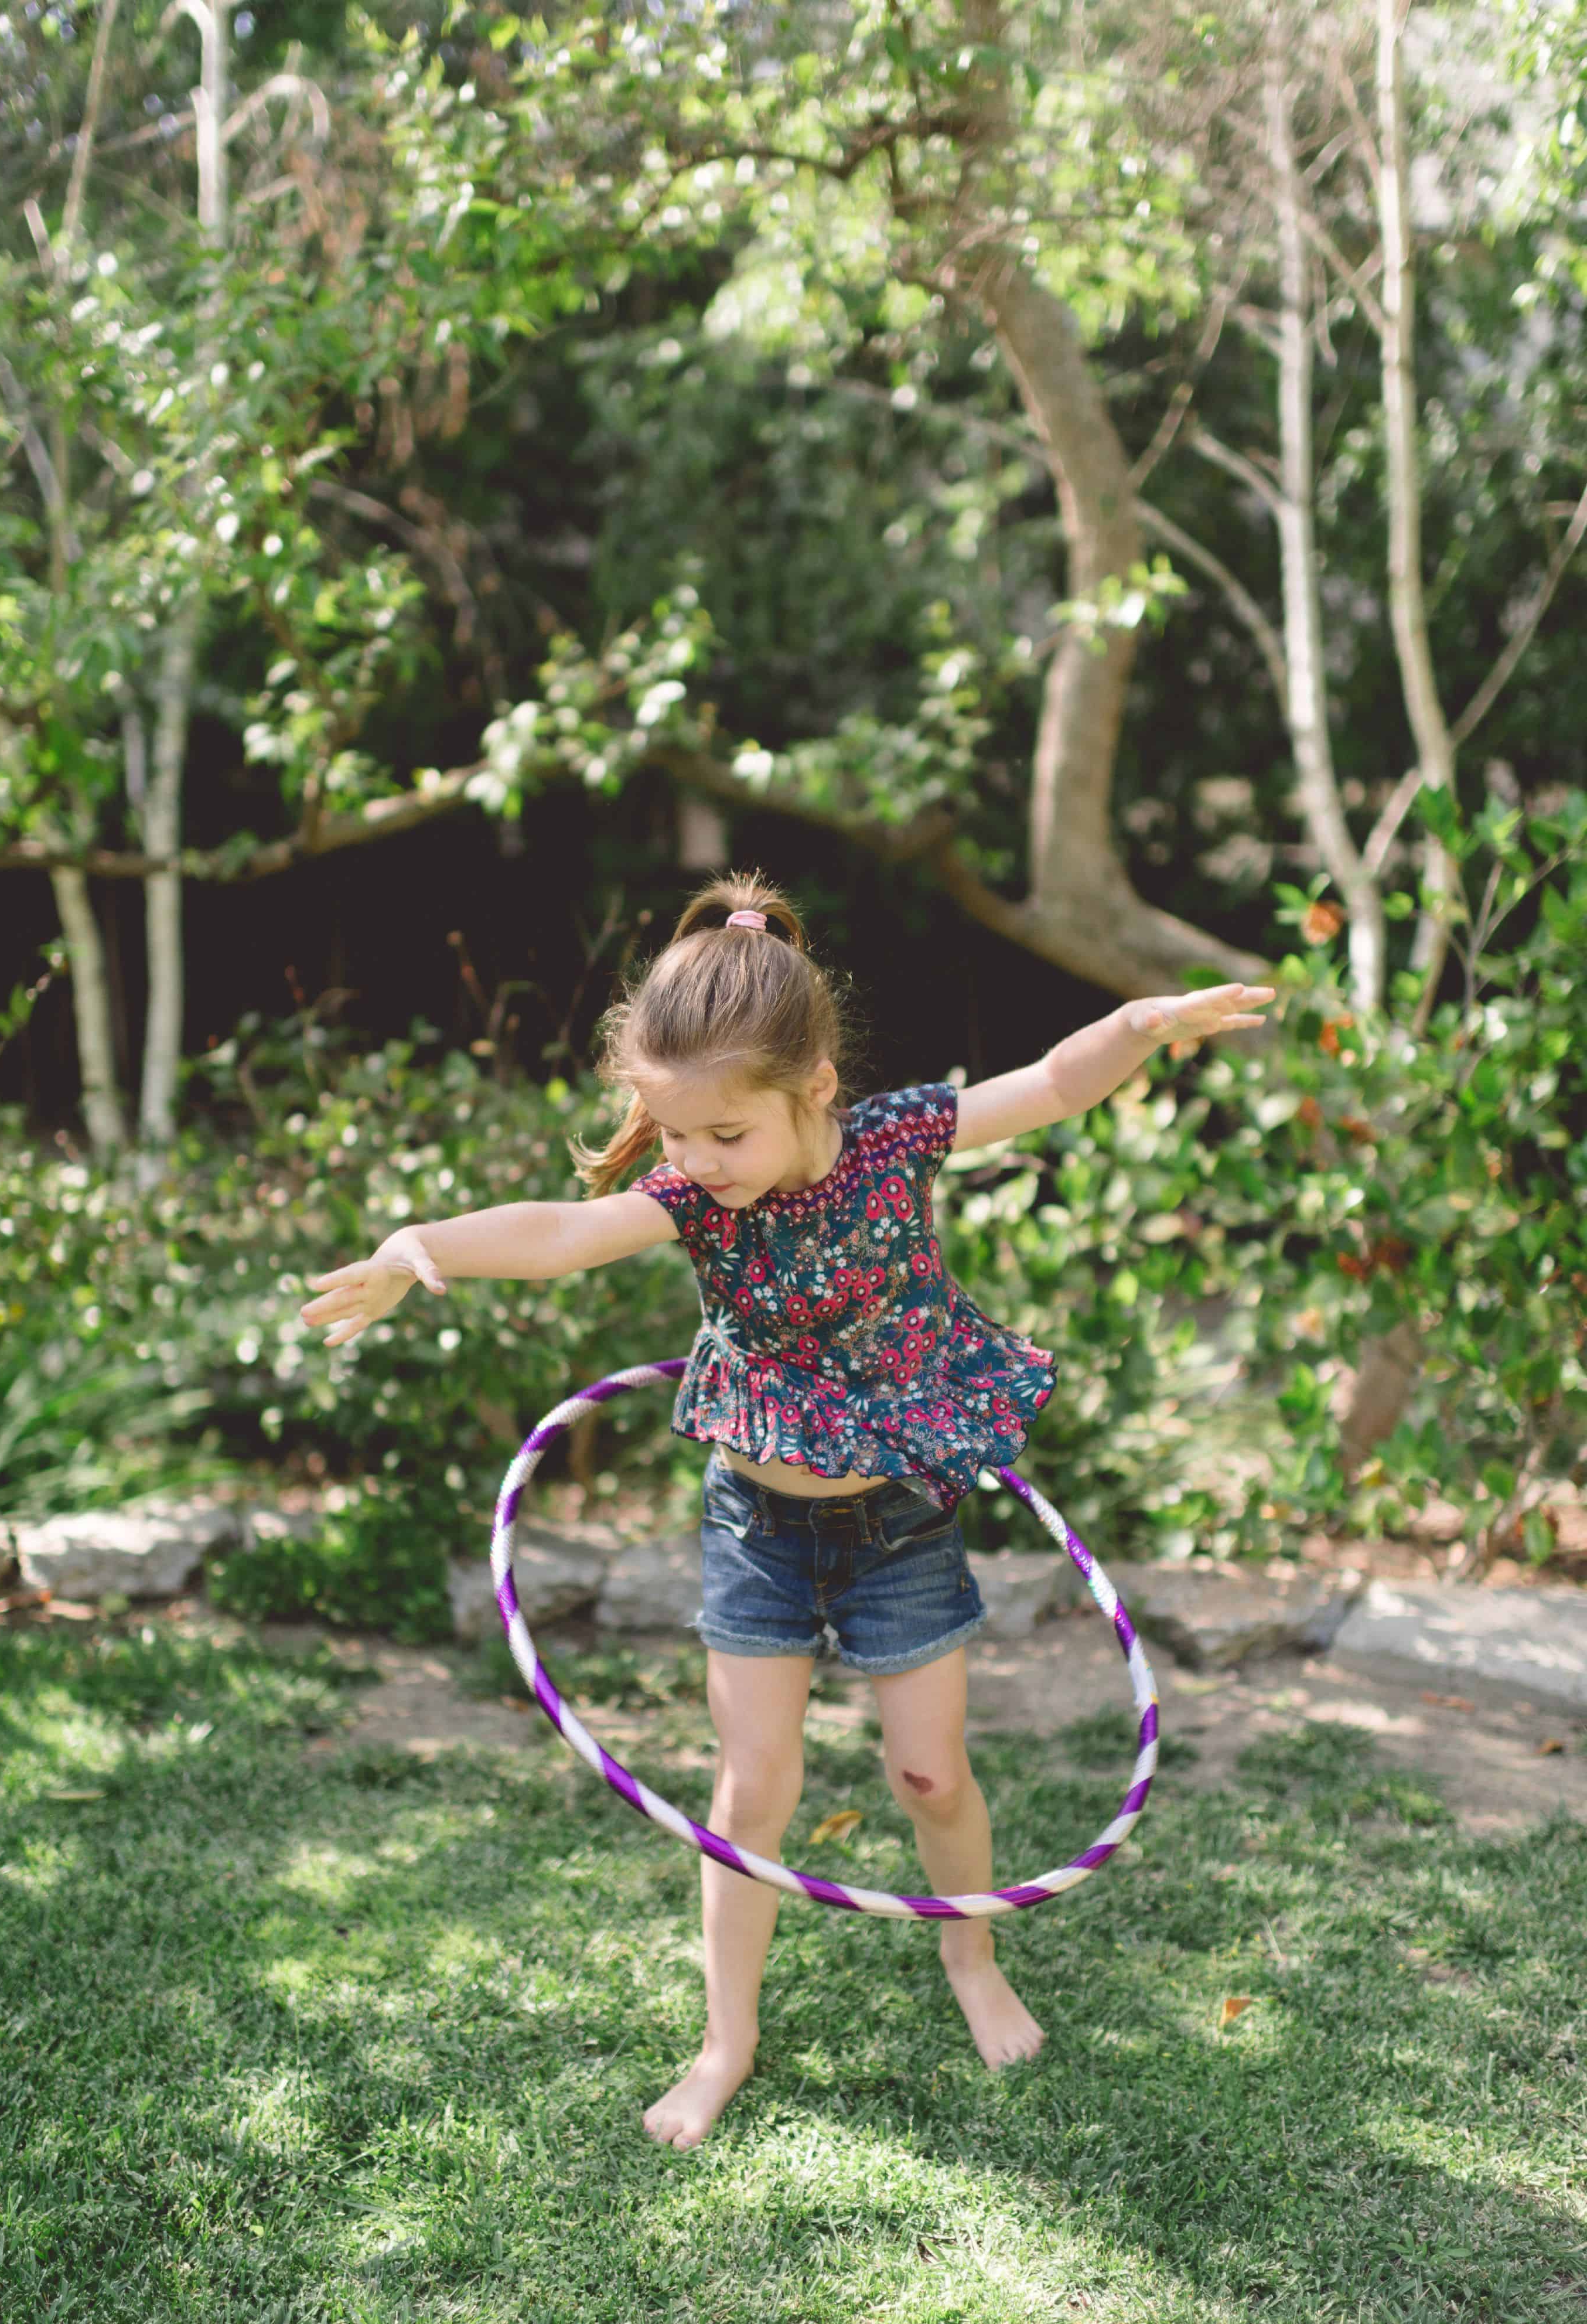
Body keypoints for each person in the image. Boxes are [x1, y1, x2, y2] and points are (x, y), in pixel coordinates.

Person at [300, 873, 1272, 2148]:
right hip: (758, 1528)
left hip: (900, 1521)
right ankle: (727, 2040)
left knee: (931, 1776)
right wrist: (422, 1243)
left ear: (814, 1082)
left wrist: (1137, 1029)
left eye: (722, 1135)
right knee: (752, 1792)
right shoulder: (694, 1195)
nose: (695, 1163)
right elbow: (559, 1228)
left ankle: (973, 1963)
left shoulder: (897, 1138)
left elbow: (1044, 1086)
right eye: (677, 1135)